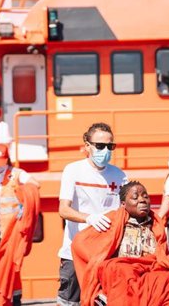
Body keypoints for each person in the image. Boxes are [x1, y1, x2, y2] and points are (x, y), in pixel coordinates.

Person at [72, 181, 169, 306]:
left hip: (151, 270)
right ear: (123, 204)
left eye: (145, 196)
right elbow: (80, 243)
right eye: (135, 197)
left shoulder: (156, 225)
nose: (142, 200)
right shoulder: (112, 221)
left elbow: (164, 257)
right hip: (123, 271)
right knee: (118, 270)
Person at [57, 122, 128, 306]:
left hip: (107, 255)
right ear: (87, 145)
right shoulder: (73, 170)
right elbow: (63, 209)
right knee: (68, 303)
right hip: (75, 252)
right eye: (100, 146)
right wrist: (89, 218)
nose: (105, 150)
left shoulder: (120, 176)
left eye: (110, 146)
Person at [0, 144, 40, 306]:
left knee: (12, 267)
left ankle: (14, 300)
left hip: (10, 229)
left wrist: (24, 200)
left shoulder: (17, 174)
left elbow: (35, 185)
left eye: (0, 162)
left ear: (7, 159)